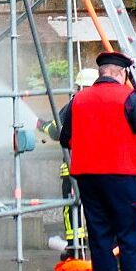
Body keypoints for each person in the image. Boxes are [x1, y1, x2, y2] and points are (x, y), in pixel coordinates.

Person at [60, 51, 136, 271]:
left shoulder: (78, 100)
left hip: (89, 179)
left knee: (100, 241)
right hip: (124, 177)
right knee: (131, 240)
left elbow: (64, 137)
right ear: (121, 73)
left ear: (101, 73)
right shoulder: (129, 98)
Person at [37, 67, 99, 260]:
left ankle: (75, 248)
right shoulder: (107, 103)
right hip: (102, 169)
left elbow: (56, 130)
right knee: (100, 207)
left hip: (75, 168)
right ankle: (105, 249)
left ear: (81, 87)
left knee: (73, 207)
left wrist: (41, 124)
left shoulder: (75, 104)